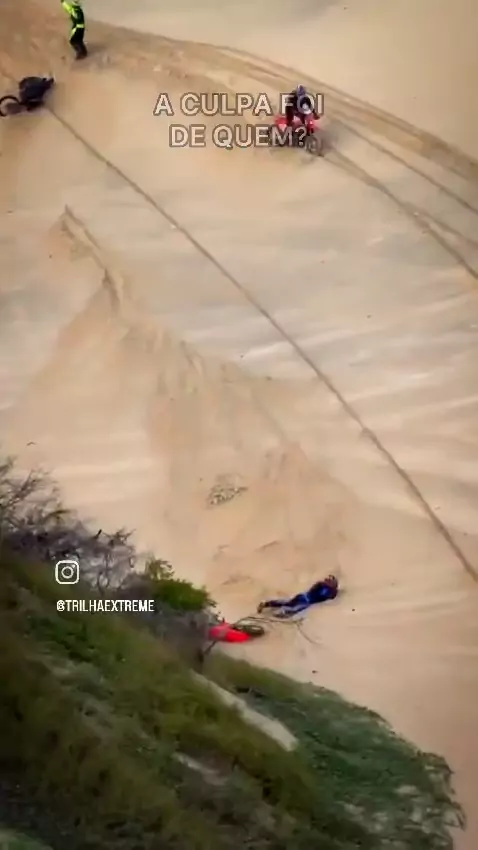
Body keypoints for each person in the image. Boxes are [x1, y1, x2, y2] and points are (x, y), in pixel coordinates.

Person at [257, 575, 339, 617]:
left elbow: (332, 596)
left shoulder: (331, 590)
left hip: (305, 598)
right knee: (293, 608)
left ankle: (268, 605)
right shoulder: (321, 585)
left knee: (289, 603)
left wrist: (332, 591)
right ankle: (273, 610)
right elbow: (313, 591)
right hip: (306, 599)